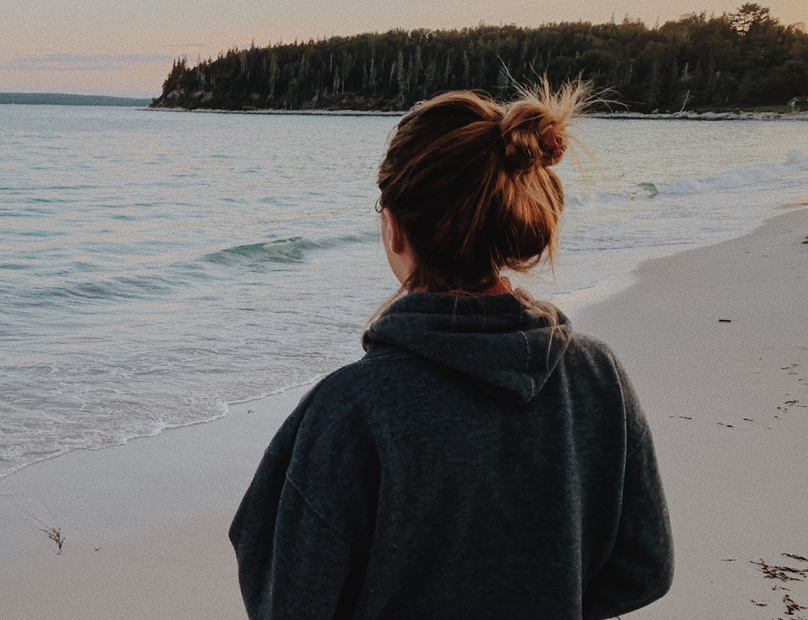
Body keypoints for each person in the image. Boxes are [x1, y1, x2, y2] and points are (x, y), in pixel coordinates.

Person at [228, 84, 674, 620]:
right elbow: (644, 569)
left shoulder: (351, 409)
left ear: (394, 227)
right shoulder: (598, 375)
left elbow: (289, 599)